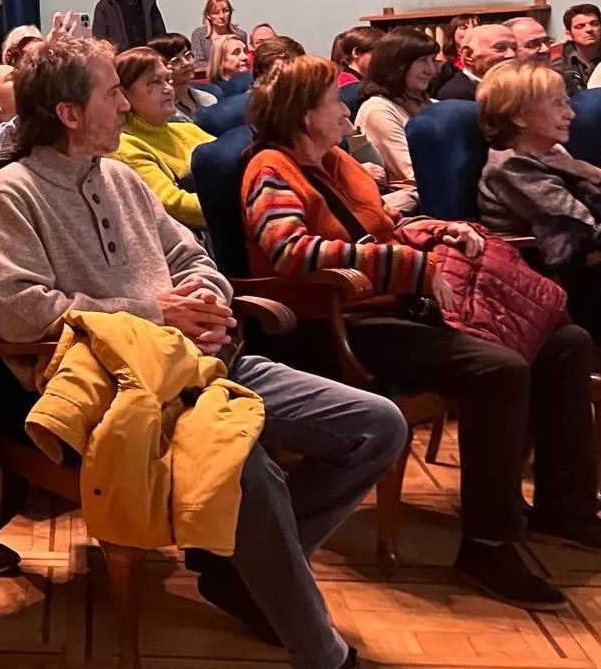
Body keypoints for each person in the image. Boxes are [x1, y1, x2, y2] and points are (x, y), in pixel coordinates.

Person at [0, 38, 402, 669]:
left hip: (203, 361)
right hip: (120, 388)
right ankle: (324, 655)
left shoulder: (120, 176)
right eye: (112, 93)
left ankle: (238, 570)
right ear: (68, 113)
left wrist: (205, 298)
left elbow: (193, 256)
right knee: (247, 470)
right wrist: (156, 313)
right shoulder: (11, 193)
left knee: (378, 426)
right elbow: (23, 308)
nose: (126, 106)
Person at [242, 54, 601, 610]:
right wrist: (413, 267)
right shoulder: (269, 168)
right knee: (498, 369)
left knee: (567, 343)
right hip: (334, 323)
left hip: (391, 309)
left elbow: (384, 226)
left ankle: (566, 507)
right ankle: (488, 542)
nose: (346, 112)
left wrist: (436, 230)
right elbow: (292, 252)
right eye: (336, 103)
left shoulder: (336, 162)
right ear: (304, 114)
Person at [476, 60, 601, 336]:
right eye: (557, 104)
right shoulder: (512, 167)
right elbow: (577, 242)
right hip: (566, 285)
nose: (570, 114)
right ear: (519, 116)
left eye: (566, 102)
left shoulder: (551, 153)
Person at [109, 47, 214, 232]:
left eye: (167, 80)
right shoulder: (124, 146)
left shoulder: (187, 129)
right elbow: (173, 204)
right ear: (124, 94)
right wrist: (240, 206)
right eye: (154, 82)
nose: (167, 89)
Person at [353, 29, 439, 215]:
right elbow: (413, 173)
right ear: (397, 65)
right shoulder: (379, 109)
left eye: (433, 60)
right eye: (422, 61)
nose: (430, 70)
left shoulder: (433, 104)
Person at [437, 24, 517, 102]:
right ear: (468, 54)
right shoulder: (456, 96)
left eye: (514, 48)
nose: (512, 54)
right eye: (500, 48)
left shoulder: (516, 87)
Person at [148, 33, 216, 120]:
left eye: (187, 55)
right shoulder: (161, 111)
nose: (186, 63)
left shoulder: (209, 99)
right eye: (175, 60)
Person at [191, 0, 247, 75]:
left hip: (236, 76)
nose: (221, 16)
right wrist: (224, 67)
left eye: (225, 11)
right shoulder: (199, 35)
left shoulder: (240, 35)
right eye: (216, 13)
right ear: (208, 15)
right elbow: (198, 64)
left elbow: (244, 60)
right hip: (208, 78)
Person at [431, 13, 480, 97]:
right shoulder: (443, 63)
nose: (470, 31)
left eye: (475, 27)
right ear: (453, 33)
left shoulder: (484, 59)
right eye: (464, 28)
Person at [559, 4, 601, 94]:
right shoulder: (560, 66)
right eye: (580, 26)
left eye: (594, 24)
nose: (589, 29)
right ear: (569, 34)